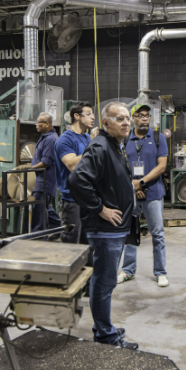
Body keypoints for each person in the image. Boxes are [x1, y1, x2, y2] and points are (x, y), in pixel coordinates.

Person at [67, 102, 138, 350]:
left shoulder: (115, 145)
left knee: (104, 281)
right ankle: (105, 336)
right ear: (106, 123)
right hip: (105, 229)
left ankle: (104, 328)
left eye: (127, 118)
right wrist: (101, 209)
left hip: (115, 229)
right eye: (119, 119)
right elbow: (77, 180)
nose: (126, 122)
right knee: (104, 283)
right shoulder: (100, 146)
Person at [118, 104, 170, 287]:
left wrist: (141, 183)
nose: (144, 119)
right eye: (140, 115)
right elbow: (120, 165)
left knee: (158, 234)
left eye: (147, 115)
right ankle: (128, 270)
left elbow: (161, 166)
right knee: (130, 232)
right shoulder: (125, 138)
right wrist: (133, 186)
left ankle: (160, 272)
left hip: (153, 193)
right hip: (130, 194)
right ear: (132, 118)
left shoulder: (157, 137)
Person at [54, 102, 95, 243]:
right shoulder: (65, 140)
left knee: (88, 243)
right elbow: (72, 165)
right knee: (71, 243)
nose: (92, 117)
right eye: (88, 114)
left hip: (89, 198)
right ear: (76, 116)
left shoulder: (87, 138)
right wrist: (93, 146)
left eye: (92, 114)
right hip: (73, 200)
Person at [29, 112, 61, 235]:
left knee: (38, 212)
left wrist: (29, 169)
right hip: (40, 180)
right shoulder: (45, 137)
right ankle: (60, 229)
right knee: (44, 208)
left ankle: (39, 238)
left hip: (44, 182)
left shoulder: (51, 139)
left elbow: (46, 162)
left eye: (39, 122)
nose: (36, 124)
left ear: (47, 124)